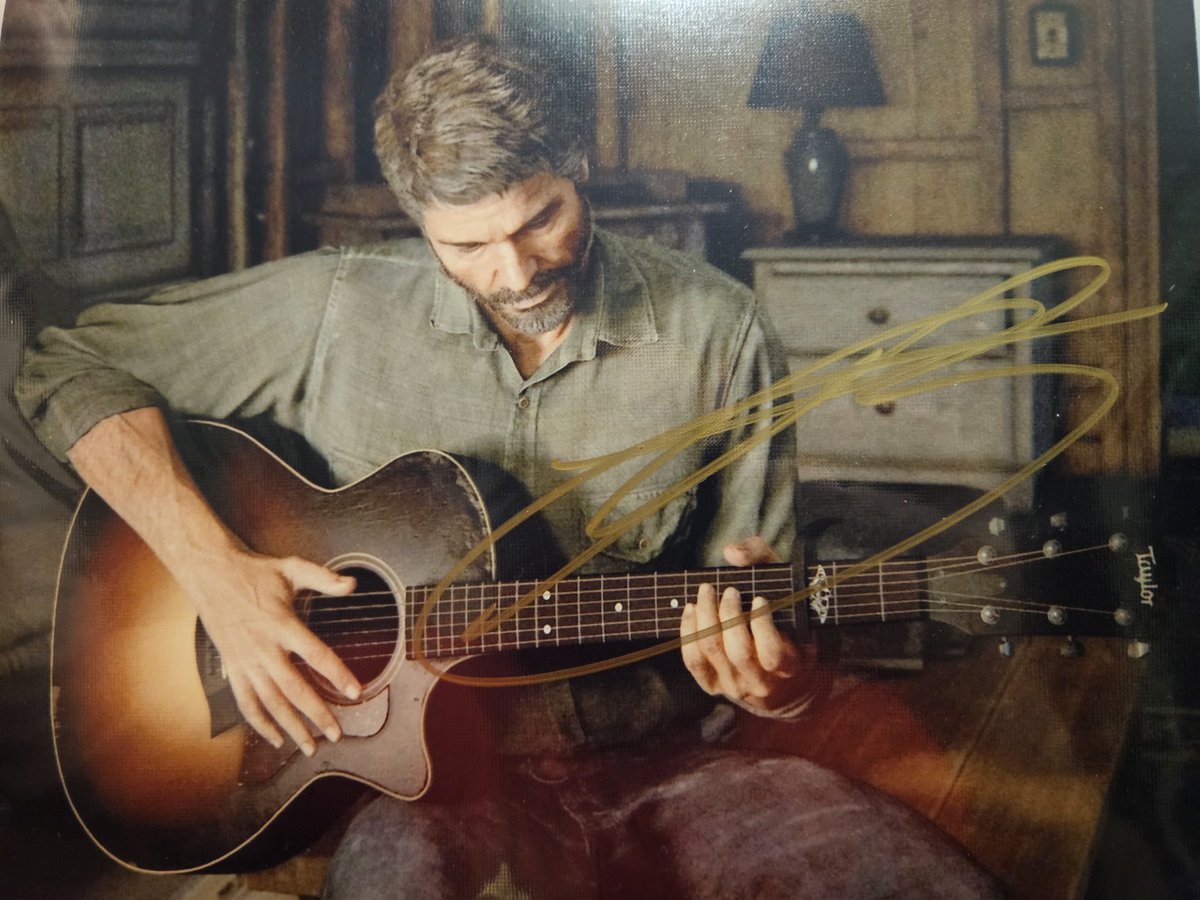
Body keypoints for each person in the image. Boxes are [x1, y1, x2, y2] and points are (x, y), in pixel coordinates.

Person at [17, 36, 999, 899]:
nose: (515, 273)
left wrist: (772, 680)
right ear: (418, 220)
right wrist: (218, 575)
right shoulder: (334, 307)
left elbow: (764, 623)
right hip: (428, 791)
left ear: (578, 168)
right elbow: (65, 364)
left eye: (540, 220)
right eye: (468, 245)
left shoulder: (719, 333)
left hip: (665, 763)